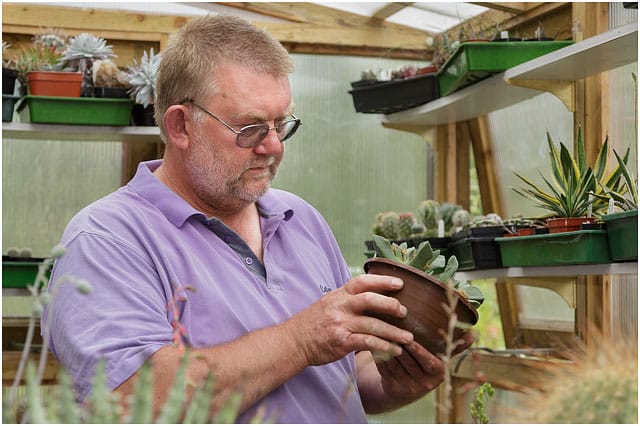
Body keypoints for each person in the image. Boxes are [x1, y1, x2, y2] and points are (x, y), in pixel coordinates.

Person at [43, 14, 473, 423]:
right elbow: (134, 402)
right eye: (249, 128)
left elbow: (343, 374)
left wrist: (395, 384)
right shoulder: (108, 240)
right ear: (180, 127)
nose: (273, 147)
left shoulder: (299, 218)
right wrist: (303, 338)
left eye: (280, 124)